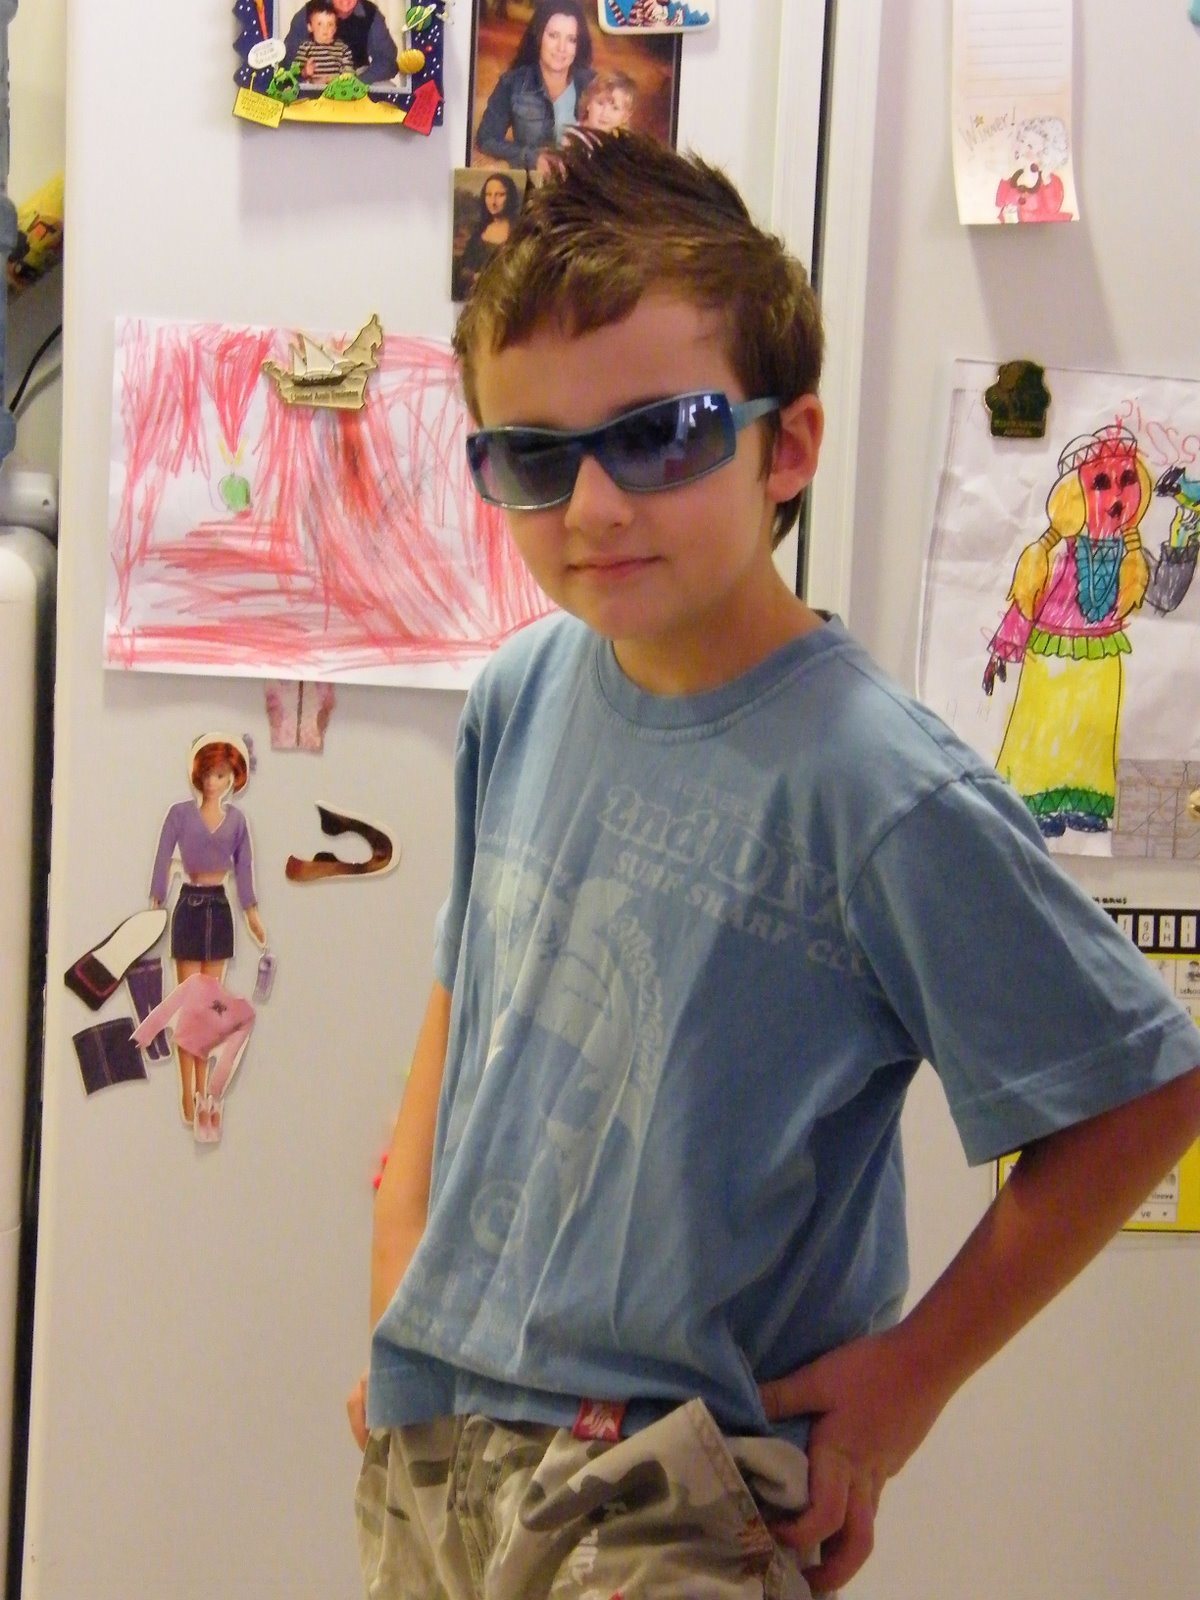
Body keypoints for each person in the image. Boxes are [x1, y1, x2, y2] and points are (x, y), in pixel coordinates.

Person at [350, 132, 1200, 1599]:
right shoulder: (521, 692)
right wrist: (400, 1276)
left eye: (662, 437)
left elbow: (1145, 1090)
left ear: (785, 447)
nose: (593, 507)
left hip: (668, 1486)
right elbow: (464, 1003)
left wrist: (907, 1384)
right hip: (438, 1442)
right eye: (533, 456)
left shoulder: (878, 783)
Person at [149, 734, 266, 1134]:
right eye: (211, 774)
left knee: (207, 1010)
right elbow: (163, 857)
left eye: (224, 775)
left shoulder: (237, 822)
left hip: (219, 908)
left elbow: (245, 869)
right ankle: (187, 1089)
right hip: (189, 906)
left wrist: (251, 912)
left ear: (233, 778)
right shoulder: (180, 815)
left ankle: (204, 1092)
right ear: (199, 776)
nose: (217, 781)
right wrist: (156, 899)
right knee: (189, 1006)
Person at [474, 0, 595, 173]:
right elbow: (486, 139)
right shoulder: (512, 83)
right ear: (538, 37)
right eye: (553, 36)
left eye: (571, 39)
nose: (561, 48)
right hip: (534, 184)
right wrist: (530, 157)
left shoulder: (592, 84)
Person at [282, 0, 399, 85]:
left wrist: (354, 82)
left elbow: (387, 61)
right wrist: (305, 74)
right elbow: (288, 63)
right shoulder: (309, 12)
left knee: (387, 89)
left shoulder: (370, 13)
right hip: (314, 79)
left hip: (357, 76)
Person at [452, 172, 522, 303]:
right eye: (488, 195)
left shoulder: (519, 231)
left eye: (500, 195)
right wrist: (473, 277)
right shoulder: (479, 232)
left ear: (510, 197)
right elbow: (464, 269)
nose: (493, 202)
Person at [291, 0, 357, 85]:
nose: (325, 28)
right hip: (313, 89)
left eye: (330, 24)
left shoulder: (342, 49)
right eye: (319, 24)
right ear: (310, 27)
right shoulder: (306, 47)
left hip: (335, 88)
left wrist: (341, 78)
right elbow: (295, 71)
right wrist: (305, 72)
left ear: (335, 29)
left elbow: (349, 72)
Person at [561, 67, 637, 140]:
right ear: (588, 103)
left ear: (625, 116)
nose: (605, 113)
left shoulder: (621, 140)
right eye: (600, 103)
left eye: (615, 108)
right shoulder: (573, 137)